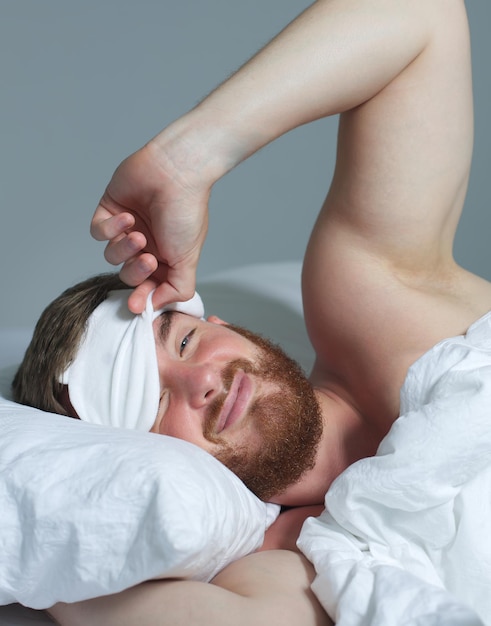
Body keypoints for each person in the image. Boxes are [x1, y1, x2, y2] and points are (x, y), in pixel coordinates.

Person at [14, 0, 491, 623]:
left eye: (183, 344)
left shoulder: (380, 304)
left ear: (220, 326)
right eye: (149, 404)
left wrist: (187, 159)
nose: (201, 380)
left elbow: (421, 16)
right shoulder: (296, 566)